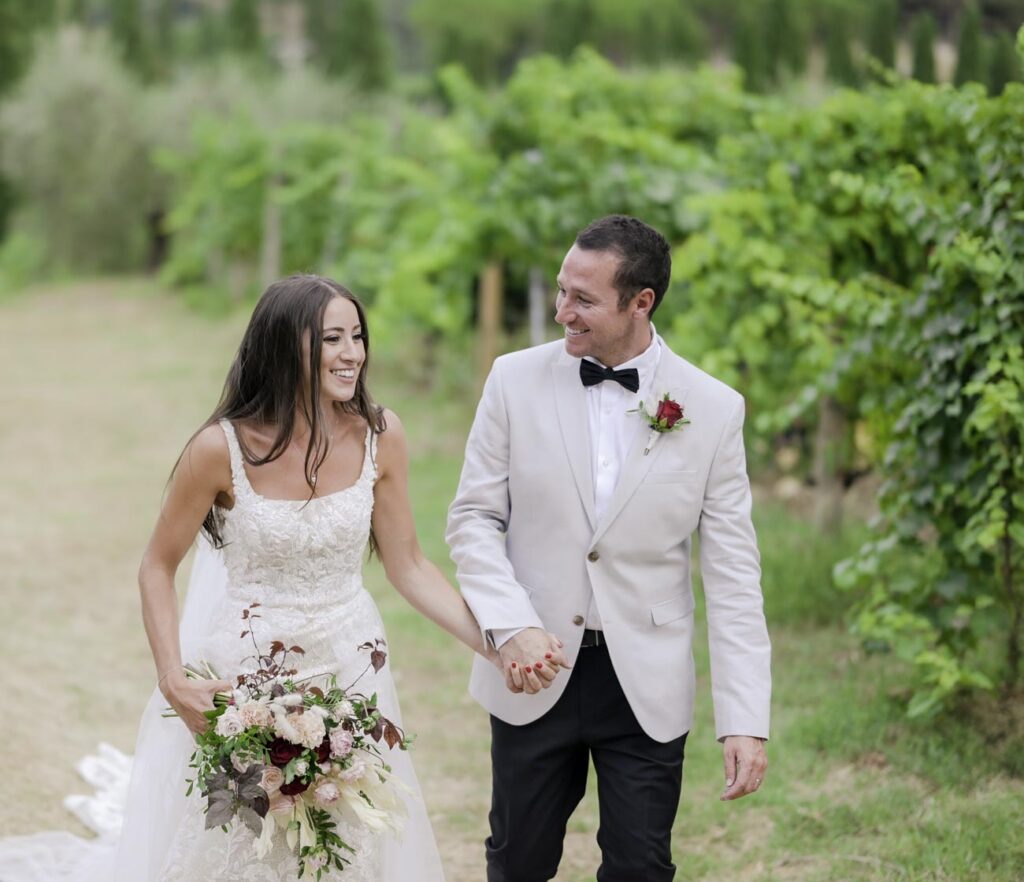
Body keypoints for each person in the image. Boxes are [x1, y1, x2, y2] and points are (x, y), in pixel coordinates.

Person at [0, 274, 562, 882]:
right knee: (240, 835)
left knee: (348, 836)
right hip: (245, 674)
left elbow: (410, 567)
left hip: (350, 667)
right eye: (332, 340)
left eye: (357, 337)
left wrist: (500, 641)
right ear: (283, 347)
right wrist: (173, 679)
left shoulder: (381, 434)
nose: (353, 354)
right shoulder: (219, 449)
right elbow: (156, 566)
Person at [446, 215, 772, 882]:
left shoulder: (713, 409)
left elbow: (734, 577)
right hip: (533, 670)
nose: (563, 310)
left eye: (583, 299)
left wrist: (745, 718)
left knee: (642, 869)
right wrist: (512, 628)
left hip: (644, 681)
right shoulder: (512, 380)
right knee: (518, 862)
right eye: (563, 291)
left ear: (640, 302)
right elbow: (474, 520)